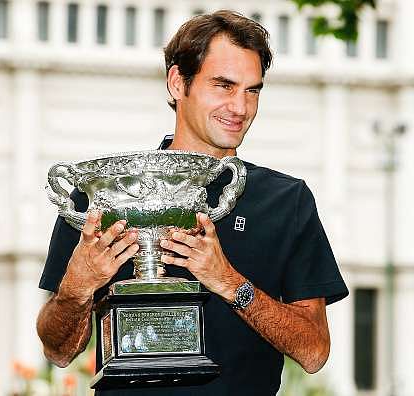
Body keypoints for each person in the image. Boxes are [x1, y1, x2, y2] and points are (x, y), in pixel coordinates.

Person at [37, 10, 348, 396]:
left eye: (252, 90)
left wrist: (230, 283)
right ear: (177, 82)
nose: (240, 107)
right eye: (223, 85)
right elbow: (58, 350)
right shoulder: (104, 193)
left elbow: (315, 351)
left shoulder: (286, 200)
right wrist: (76, 288)